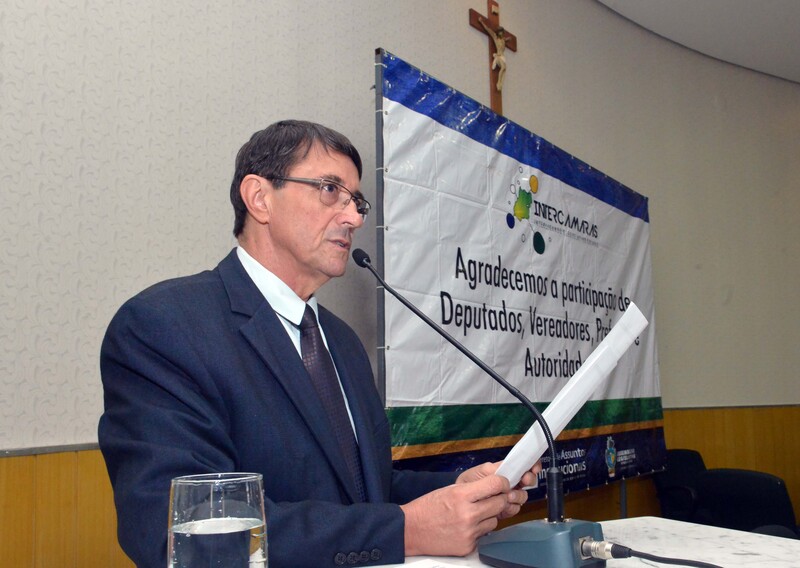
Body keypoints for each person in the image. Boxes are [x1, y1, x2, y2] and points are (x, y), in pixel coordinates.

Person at [99, 120, 539, 567]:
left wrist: (458, 491)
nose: (355, 218)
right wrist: (406, 529)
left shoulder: (342, 342)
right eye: (330, 190)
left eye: (357, 201)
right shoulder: (165, 326)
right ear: (260, 198)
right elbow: (178, 528)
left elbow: (364, 493)